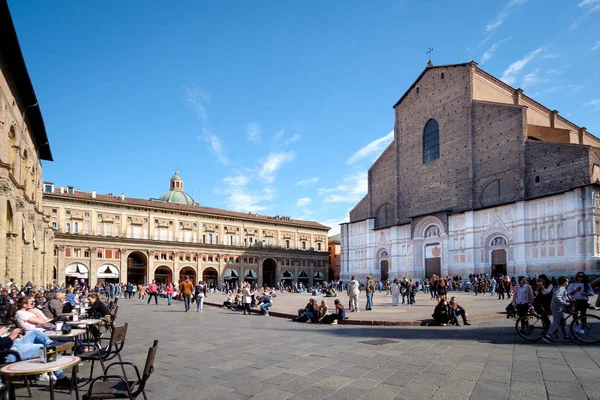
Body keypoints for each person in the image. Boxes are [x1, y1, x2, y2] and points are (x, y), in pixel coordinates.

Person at [0, 327, 71, 386]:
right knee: (42, 349)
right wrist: (10, 337)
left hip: (11, 345)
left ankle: (53, 344)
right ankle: (62, 379)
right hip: (7, 354)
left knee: (35, 332)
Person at [542, 276, 570, 344]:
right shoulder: (561, 288)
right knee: (556, 322)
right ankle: (547, 336)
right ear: (564, 282)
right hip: (557, 307)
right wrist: (565, 303)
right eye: (567, 281)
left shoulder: (560, 287)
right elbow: (557, 297)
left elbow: (563, 296)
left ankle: (566, 336)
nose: (568, 282)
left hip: (558, 307)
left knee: (563, 322)